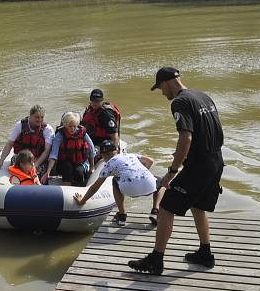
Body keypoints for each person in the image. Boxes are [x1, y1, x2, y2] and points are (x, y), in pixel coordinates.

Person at [128, 67, 224, 275]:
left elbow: (186, 137)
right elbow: (211, 130)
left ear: (168, 82)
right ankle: (205, 253)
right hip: (216, 161)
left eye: (161, 88)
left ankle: (156, 259)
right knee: (198, 206)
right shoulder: (203, 96)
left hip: (199, 166)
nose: (163, 93)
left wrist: (172, 171)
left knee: (165, 207)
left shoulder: (180, 102)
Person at [73, 141, 160, 227]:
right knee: (161, 182)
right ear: (117, 151)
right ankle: (155, 210)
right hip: (150, 187)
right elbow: (150, 161)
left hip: (129, 190)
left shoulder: (108, 166)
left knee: (115, 181)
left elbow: (95, 187)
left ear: (102, 156)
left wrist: (82, 201)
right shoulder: (130, 155)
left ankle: (122, 216)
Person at [0, 105, 54, 174]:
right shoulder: (20, 125)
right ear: (30, 116)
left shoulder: (47, 129)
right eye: (37, 117)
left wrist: (35, 165)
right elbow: (10, 143)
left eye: (42, 117)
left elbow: (47, 151)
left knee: (37, 173)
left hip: (38, 159)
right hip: (21, 158)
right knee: (17, 170)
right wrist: (1, 161)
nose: (40, 120)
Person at [43, 112, 95, 187]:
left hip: (80, 163)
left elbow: (92, 149)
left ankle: (79, 189)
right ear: (65, 125)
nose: (72, 129)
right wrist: (48, 171)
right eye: (70, 126)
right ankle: (66, 187)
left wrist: (92, 167)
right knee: (67, 167)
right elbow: (53, 154)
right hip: (64, 163)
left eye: (74, 126)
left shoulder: (82, 133)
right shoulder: (60, 135)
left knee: (78, 172)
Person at [81, 88, 121, 153]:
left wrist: (114, 151)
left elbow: (114, 135)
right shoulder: (89, 110)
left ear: (102, 101)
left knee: (91, 153)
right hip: (91, 139)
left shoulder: (106, 114)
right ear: (90, 100)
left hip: (103, 142)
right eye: (93, 101)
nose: (95, 103)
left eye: (98, 101)